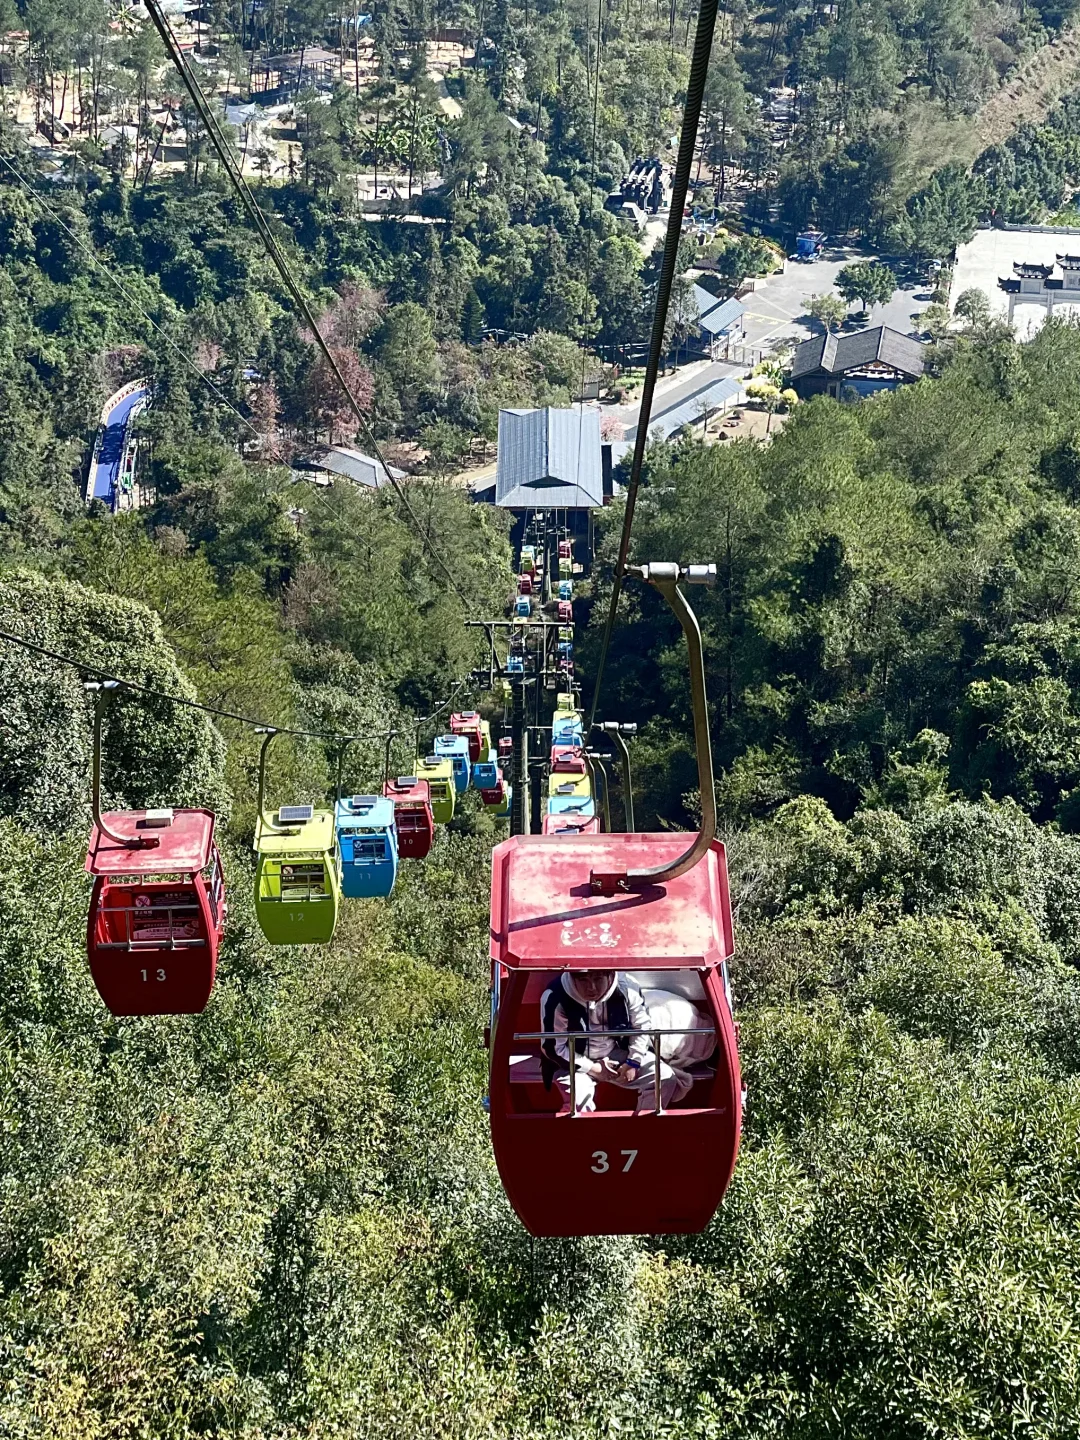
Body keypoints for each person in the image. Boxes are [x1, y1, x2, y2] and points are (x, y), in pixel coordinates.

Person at [540, 969, 687, 1114]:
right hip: (573, 1059)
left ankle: (643, 1131)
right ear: (572, 977)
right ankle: (586, 1136)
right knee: (578, 1106)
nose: (591, 987)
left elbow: (641, 1027)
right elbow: (553, 1048)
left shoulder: (628, 987)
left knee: (664, 1077)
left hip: (616, 1052)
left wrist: (633, 1061)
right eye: (583, 980)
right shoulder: (555, 997)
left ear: (610, 975)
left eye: (598, 979)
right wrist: (593, 1068)